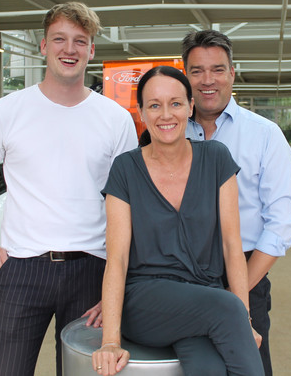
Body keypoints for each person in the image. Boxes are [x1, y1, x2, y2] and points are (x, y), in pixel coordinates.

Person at [0, 2, 137, 376]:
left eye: (80, 41)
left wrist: (117, 285)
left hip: (93, 269)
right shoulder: (7, 111)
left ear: (91, 50)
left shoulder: (116, 120)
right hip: (21, 267)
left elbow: (128, 204)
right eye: (59, 39)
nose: (69, 49)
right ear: (43, 46)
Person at [92, 66, 264, 376]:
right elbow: (117, 259)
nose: (166, 114)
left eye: (175, 103)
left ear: (190, 106)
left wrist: (245, 321)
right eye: (154, 105)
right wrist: (110, 341)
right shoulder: (126, 169)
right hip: (147, 301)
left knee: (209, 368)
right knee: (226, 307)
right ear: (141, 112)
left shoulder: (216, 158)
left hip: (204, 296)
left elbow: (231, 245)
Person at [182, 29, 291, 376]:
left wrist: (237, 289)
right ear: (185, 75)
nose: (208, 80)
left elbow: (281, 223)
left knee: (248, 367)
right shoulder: (169, 132)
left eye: (218, 69)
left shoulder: (264, 134)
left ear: (232, 73)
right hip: (181, 275)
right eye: (197, 71)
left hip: (247, 275)